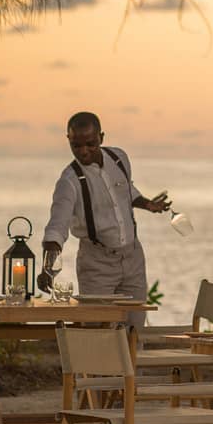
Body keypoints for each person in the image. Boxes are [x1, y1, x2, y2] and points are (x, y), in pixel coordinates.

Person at [38, 111, 170, 322]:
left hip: (133, 257)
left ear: (102, 137)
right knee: (98, 333)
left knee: (135, 329)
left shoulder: (120, 158)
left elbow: (126, 191)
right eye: (76, 146)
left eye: (90, 144)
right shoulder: (68, 181)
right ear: (68, 140)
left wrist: (148, 204)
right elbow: (57, 226)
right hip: (97, 265)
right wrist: (48, 267)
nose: (83, 151)